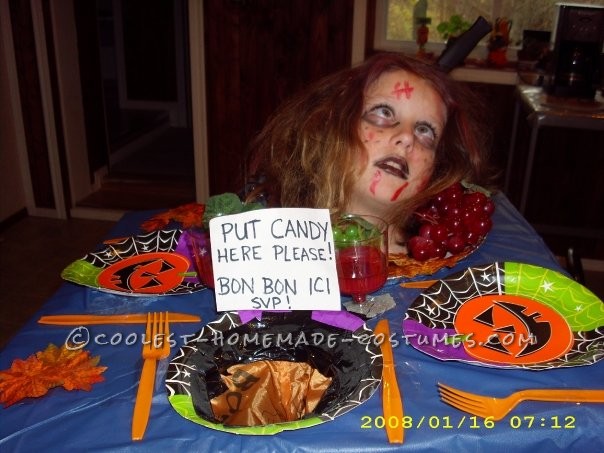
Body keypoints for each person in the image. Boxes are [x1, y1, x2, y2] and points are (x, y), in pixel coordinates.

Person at [246, 52, 496, 253]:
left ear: (438, 167)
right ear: (331, 126)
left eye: (425, 131)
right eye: (384, 113)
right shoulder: (269, 245)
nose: (407, 137)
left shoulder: (453, 266)